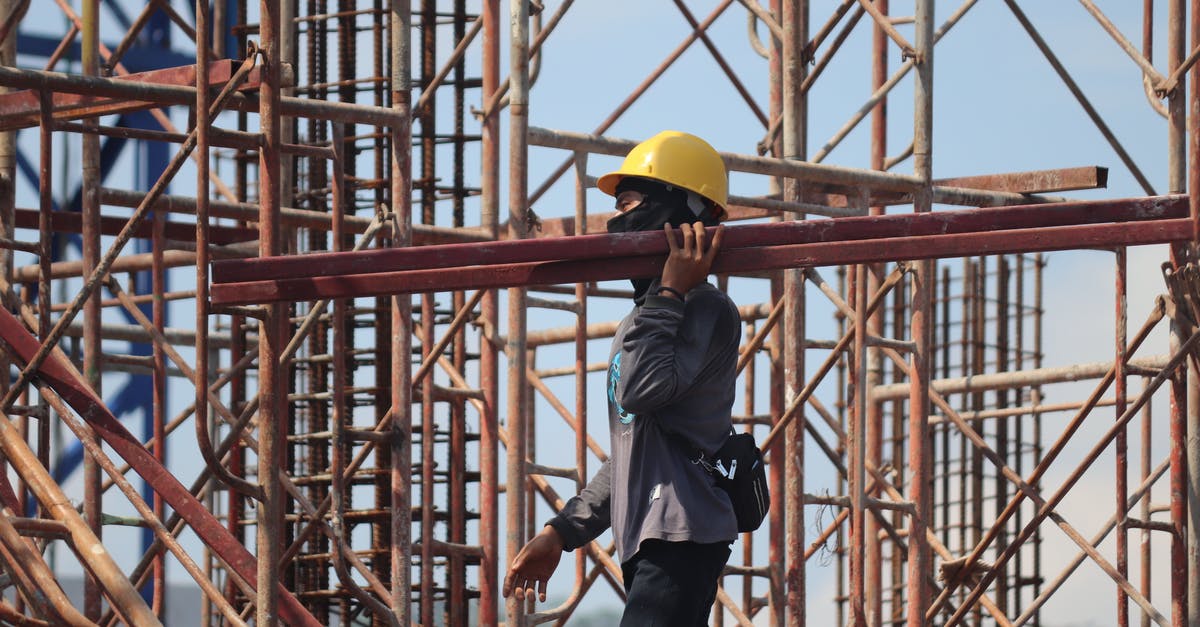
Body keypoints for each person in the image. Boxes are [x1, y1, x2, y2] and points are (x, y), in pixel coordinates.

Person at [502, 130, 741, 625]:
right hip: (648, 538)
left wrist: (672, 291)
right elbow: (635, 447)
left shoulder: (705, 309)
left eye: (631, 203)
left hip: (681, 534)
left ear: (684, 211)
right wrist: (562, 531)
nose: (618, 220)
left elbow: (640, 390)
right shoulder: (645, 318)